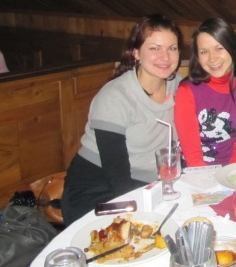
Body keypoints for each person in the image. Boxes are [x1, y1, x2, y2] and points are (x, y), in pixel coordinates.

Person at [61, 14, 184, 226]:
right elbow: (117, 174)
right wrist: (141, 216)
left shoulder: (179, 87)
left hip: (151, 185)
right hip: (98, 186)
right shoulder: (115, 97)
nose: (165, 57)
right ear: (136, 53)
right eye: (154, 48)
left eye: (172, 48)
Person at [174, 17, 236, 167]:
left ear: (232, 46)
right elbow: (193, 157)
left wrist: (231, 173)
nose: (212, 58)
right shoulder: (186, 92)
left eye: (219, 48)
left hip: (233, 168)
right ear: (197, 56)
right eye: (204, 51)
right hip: (197, 171)